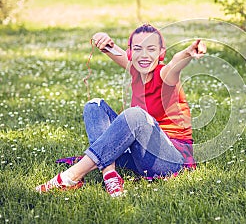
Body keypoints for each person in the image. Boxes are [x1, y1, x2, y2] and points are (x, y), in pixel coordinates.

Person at [35, 23, 206, 197]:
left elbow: (175, 63)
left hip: (169, 159)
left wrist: (187, 53)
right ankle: (110, 174)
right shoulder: (135, 69)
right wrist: (101, 36)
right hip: (138, 154)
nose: (144, 55)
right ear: (131, 52)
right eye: (138, 49)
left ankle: (72, 176)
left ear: (161, 53)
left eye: (151, 49)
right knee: (94, 106)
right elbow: (111, 48)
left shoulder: (165, 75)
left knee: (135, 115)